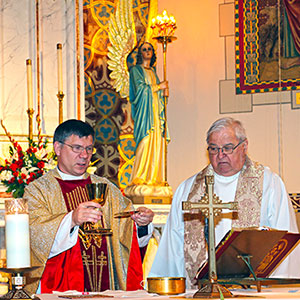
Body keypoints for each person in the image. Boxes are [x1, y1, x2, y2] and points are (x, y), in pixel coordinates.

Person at [148, 117, 300, 288]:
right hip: (200, 294)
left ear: (244, 146)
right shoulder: (188, 189)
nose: (220, 155)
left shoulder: (268, 184)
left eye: (228, 148)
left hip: (253, 293)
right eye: (213, 149)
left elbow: (282, 240)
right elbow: (173, 244)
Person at [24, 119, 154, 294]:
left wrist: (141, 224)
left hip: (107, 288)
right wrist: (71, 220)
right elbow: (36, 237)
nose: (84, 155)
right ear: (57, 148)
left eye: (89, 148)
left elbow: (126, 233)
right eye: (77, 148)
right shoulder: (38, 190)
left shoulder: (106, 188)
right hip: (61, 288)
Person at [124, 42, 172, 198]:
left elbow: (157, 95)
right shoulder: (136, 70)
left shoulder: (153, 72)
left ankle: (155, 178)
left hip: (156, 117)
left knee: (157, 144)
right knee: (145, 143)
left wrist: (164, 93)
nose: (147, 52)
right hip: (144, 117)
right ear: (140, 53)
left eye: (150, 49)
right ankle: (140, 177)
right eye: (144, 49)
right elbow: (140, 91)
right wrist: (159, 87)